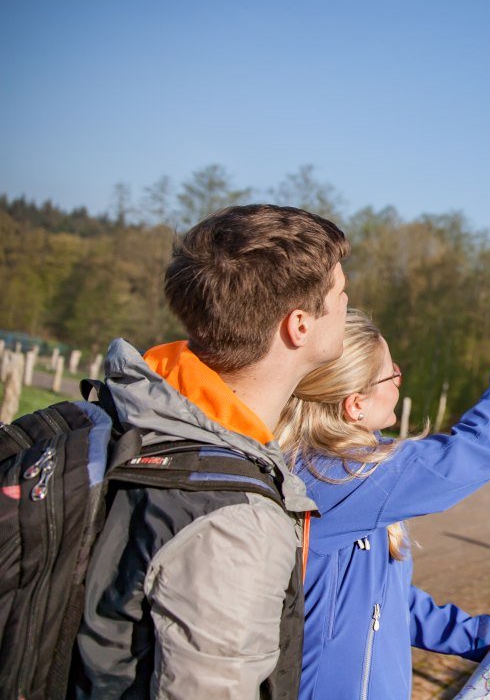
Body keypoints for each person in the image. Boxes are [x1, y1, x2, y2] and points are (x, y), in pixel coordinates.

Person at [74, 204, 350, 699]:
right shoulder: (236, 523)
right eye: (341, 292)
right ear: (300, 325)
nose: (349, 301)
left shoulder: (126, 407)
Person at [276, 307, 490, 700]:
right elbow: (467, 458)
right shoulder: (332, 479)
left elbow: (378, 601)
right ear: (355, 404)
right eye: (392, 374)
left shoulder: (341, 477)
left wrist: (471, 634)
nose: (399, 382)